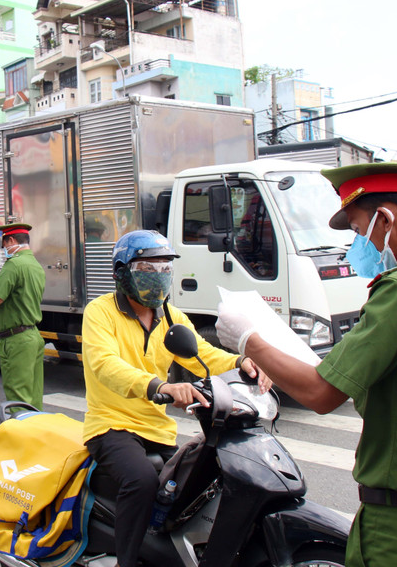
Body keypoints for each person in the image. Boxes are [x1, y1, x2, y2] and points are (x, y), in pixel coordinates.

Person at [216, 163, 397, 567]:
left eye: (358, 231)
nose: (359, 246)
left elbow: (320, 394)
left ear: (386, 219)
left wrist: (249, 341)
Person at [82, 230, 271, 567]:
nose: (158, 276)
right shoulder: (100, 312)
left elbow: (204, 355)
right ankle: (127, 561)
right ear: (122, 272)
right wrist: (161, 386)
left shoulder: (171, 317)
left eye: (165, 268)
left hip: (157, 427)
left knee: (204, 479)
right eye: (147, 267)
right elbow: (104, 364)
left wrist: (241, 362)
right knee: (140, 481)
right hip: (111, 424)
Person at [0, 223, 46, 410]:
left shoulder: (14, 265)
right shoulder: (34, 264)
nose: (3, 250)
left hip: (17, 340)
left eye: (4, 245)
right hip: (33, 335)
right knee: (34, 398)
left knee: (18, 399)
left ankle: (20, 436)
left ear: (11, 240)